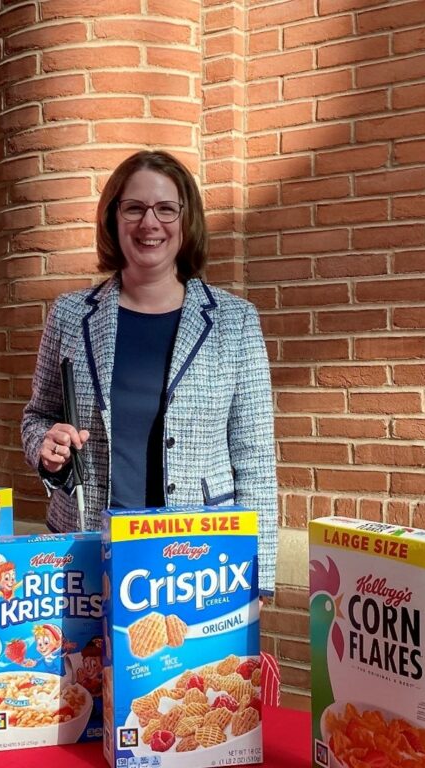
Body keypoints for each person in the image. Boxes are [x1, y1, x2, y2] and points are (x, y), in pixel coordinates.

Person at [20, 149, 278, 598]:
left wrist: (259, 577)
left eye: (165, 209)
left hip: (199, 565)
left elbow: (254, 459)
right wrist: (46, 448)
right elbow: (36, 416)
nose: (149, 223)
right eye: (134, 208)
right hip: (87, 548)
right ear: (114, 218)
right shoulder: (69, 315)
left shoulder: (234, 321)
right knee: (86, 671)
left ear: (186, 220)